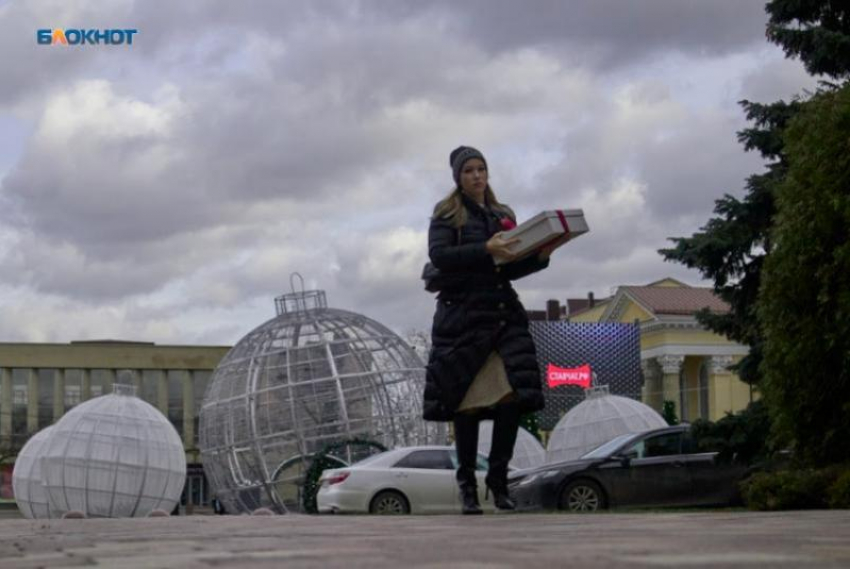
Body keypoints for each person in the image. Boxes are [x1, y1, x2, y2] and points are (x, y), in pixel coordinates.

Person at [423, 145, 563, 515]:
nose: (477, 175)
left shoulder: (502, 214)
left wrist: (540, 257)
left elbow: (508, 268)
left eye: (481, 168)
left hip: (503, 316)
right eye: (469, 170)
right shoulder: (446, 214)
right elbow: (439, 257)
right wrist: (484, 247)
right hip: (464, 320)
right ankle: (467, 485)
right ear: (458, 177)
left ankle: (498, 482)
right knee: (466, 406)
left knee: (512, 402)